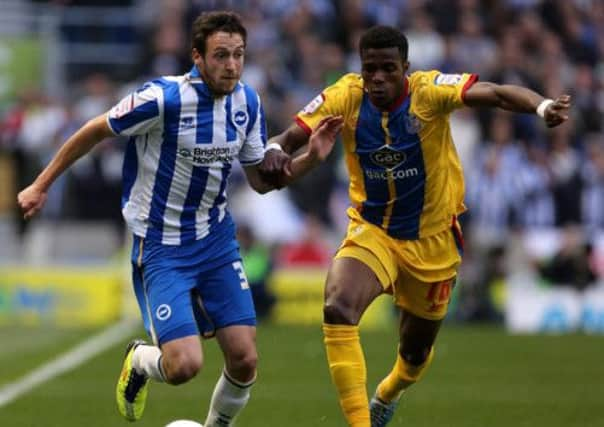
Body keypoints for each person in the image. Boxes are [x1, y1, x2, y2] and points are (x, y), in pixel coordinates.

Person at [17, 11, 342, 426]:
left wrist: (310, 159)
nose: (231, 65)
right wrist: (41, 185)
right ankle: (139, 360)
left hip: (216, 241)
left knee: (245, 359)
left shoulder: (248, 102)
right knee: (184, 366)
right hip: (161, 247)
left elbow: (261, 181)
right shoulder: (163, 99)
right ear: (197, 57)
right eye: (221, 55)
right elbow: (95, 130)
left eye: (238, 55)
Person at [260, 25, 571, 427]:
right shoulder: (346, 95)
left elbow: (494, 93)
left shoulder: (429, 92)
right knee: (338, 305)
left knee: (414, 355)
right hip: (373, 230)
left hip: (433, 241)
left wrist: (542, 107)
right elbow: (288, 136)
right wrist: (272, 149)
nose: (377, 78)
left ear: (405, 68)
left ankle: (388, 393)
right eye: (370, 68)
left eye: (388, 69)